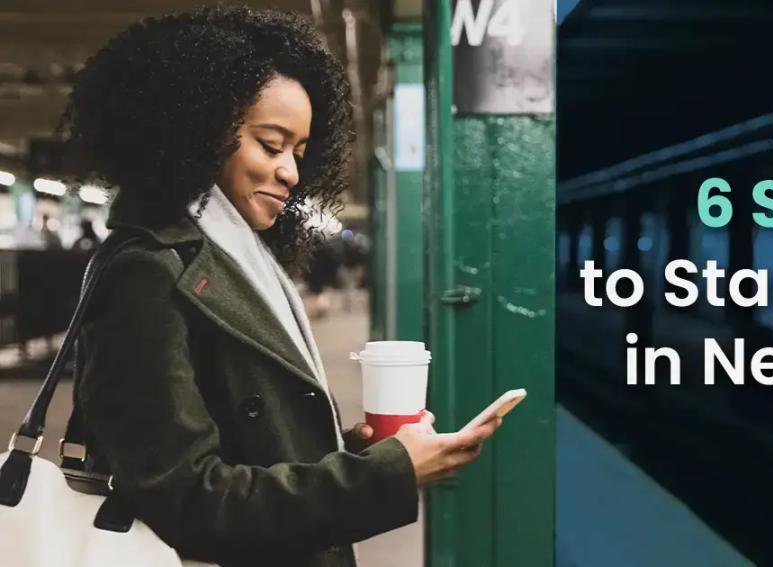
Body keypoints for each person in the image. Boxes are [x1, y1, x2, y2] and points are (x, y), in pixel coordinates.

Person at [63, 7, 499, 567]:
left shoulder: (241, 261)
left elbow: (247, 439)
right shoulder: (146, 273)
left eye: (298, 152)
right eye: (270, 145)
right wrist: (387, 475)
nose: (292, 173)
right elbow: (194, 504)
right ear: (195, 131)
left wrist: (357, 455)